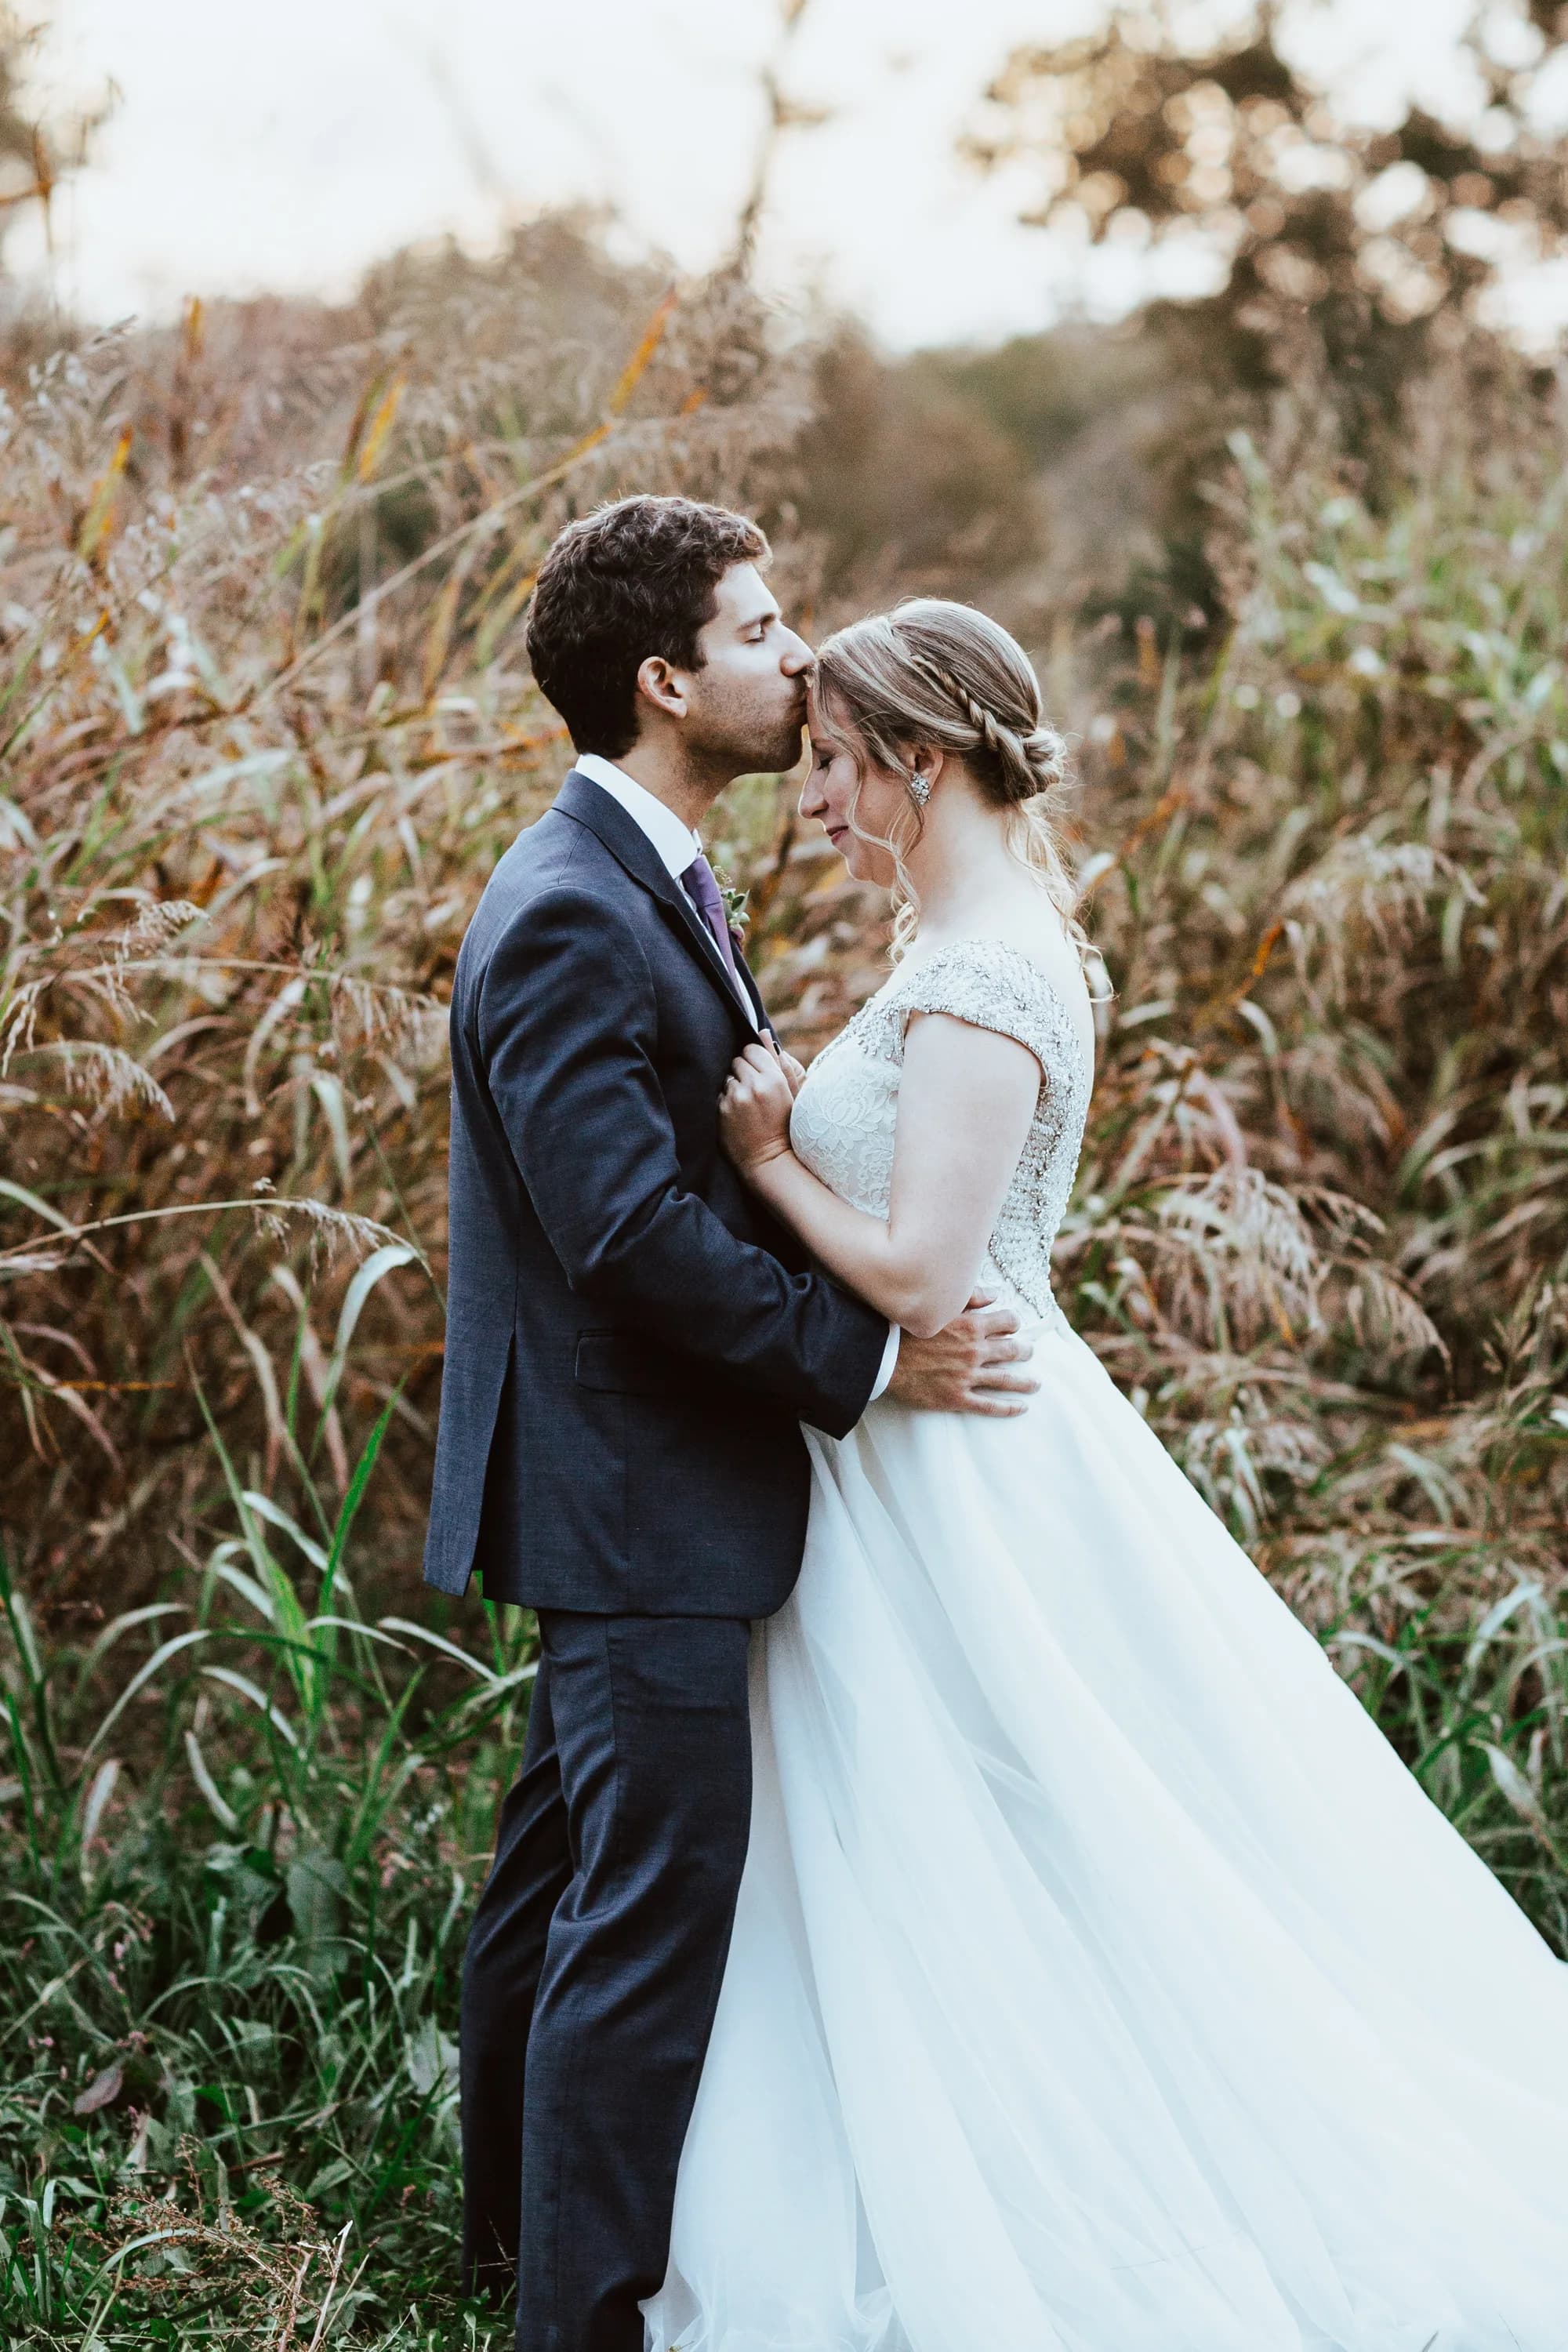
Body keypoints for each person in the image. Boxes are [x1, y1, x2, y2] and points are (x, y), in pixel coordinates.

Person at [644, 597, 1568, 2352]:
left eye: (841, 764)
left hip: (966, 1459)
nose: (817, 796)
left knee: (1037, 1817)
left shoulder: (987, 969)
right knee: (958, 1833)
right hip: (911, 1454)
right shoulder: (960, 940)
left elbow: (928, 1273)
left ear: (922, 762)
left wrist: (763, 1161)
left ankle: (1089, 2193)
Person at [422, 496, 1038, 2352]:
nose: (796, 658)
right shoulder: (566, 914)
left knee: (563, 1884)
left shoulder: (647, 879)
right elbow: (622, 1238)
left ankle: (507, 2254)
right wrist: (862, 1362)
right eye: (763, 633)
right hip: (635, 1497)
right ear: (663, 679)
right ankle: (580, 2320)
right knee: (649, 1912)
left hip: (637, 1490)